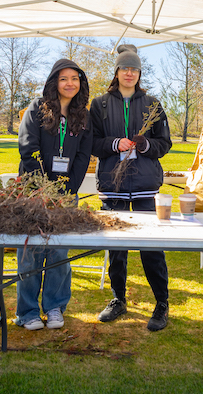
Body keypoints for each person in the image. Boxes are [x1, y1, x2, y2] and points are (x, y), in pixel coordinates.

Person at [91, 44, 173, 331]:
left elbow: (165, 143)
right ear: (116, 72)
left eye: (134, 69)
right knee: (117, 247)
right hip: (112, 185)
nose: (130, 73)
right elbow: (92, 143)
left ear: (139, 74)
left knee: (152, 248)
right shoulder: (99, 104)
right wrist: (115, 144)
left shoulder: (152, 104)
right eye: (125, 68)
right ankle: (118, 299)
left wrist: (146, 145)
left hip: (144, 186)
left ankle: (161, 302)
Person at [15, 58, 93, 330]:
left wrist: (67, 189)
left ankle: (55, 306)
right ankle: (27, 312)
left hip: (64, 195)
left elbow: (83, 156)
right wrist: (43, 188)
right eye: (63, 79)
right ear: (54, 82)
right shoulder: (37, 109)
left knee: (59, 251)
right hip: (33, 192)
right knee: (30, 252)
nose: (70, 83)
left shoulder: (83, 115)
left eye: (75, 78)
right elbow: (28, 148)